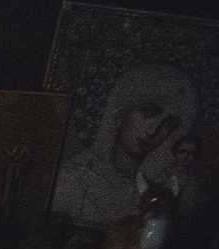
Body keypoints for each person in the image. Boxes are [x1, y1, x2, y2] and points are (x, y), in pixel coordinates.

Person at [54, 64, 198, 229]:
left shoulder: (166, 185)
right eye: (148, 112)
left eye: (169, 125)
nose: (153, 131)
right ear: (121, 110)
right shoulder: (74, 177)